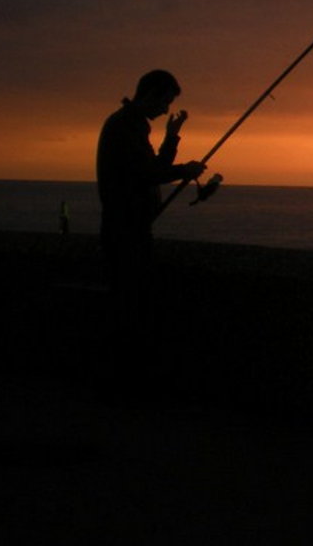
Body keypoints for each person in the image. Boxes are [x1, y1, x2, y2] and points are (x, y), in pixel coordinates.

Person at [96, 69, 206, 397]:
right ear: (152, 94)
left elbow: (150, 172)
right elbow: (147, 174)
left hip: (128, 229)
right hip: (126, 233)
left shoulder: (127, 124)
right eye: (165, 102)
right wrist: (183, 170)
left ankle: (127, 383)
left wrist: (172, 137)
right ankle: (127, 386)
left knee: (130, 307)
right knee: (130, 310)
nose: (164, 110)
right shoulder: (125, 126)